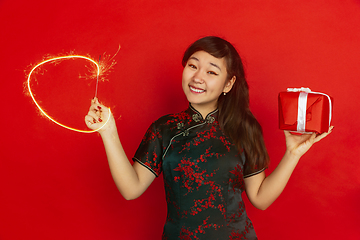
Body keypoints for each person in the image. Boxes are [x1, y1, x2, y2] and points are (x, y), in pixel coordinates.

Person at [85, 36, 333, 239]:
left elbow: (260, 198)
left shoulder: (245, 128)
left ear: (228, 84)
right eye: (193, 66)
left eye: (211, 72)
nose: (197, 77)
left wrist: (292, 154)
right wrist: (108, 131)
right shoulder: (165, 128)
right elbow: (131, 189)